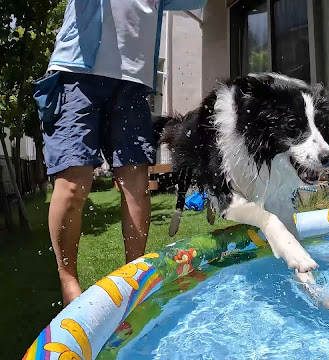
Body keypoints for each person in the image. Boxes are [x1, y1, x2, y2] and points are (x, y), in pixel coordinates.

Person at [34, 0, 207, 306]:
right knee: (74, 183)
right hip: (77, 74)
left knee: (137, 184)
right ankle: (68, 279)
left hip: (131, 83)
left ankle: (133, 277)